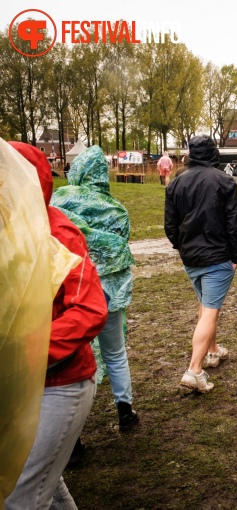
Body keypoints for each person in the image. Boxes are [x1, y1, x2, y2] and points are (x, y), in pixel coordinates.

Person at [5, 142, 108, 510]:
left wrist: (29, 354)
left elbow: (91, 308)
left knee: (21, 497)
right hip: (20, 388)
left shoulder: (57, 232)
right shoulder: (8, 235)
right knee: (39, 484)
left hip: (60, 383)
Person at [50, 145, 140, 432]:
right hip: (110, 292)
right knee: (115, 352)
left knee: (72, 358)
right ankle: (125, 409)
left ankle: (72, 434)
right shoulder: (117, 210)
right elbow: (119, 244)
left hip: (73, 293)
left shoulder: (59, 202)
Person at [165, 135, 237, 393]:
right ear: (213, 153)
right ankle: (194, 370)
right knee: (209, 311)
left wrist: (183, 247)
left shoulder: (175, 184)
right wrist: (235, 257)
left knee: (205, 306)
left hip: (192, 258)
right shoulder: (224, 181)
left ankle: (212, 351)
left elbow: (170, 227)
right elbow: (234, 224)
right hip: (217, 256)